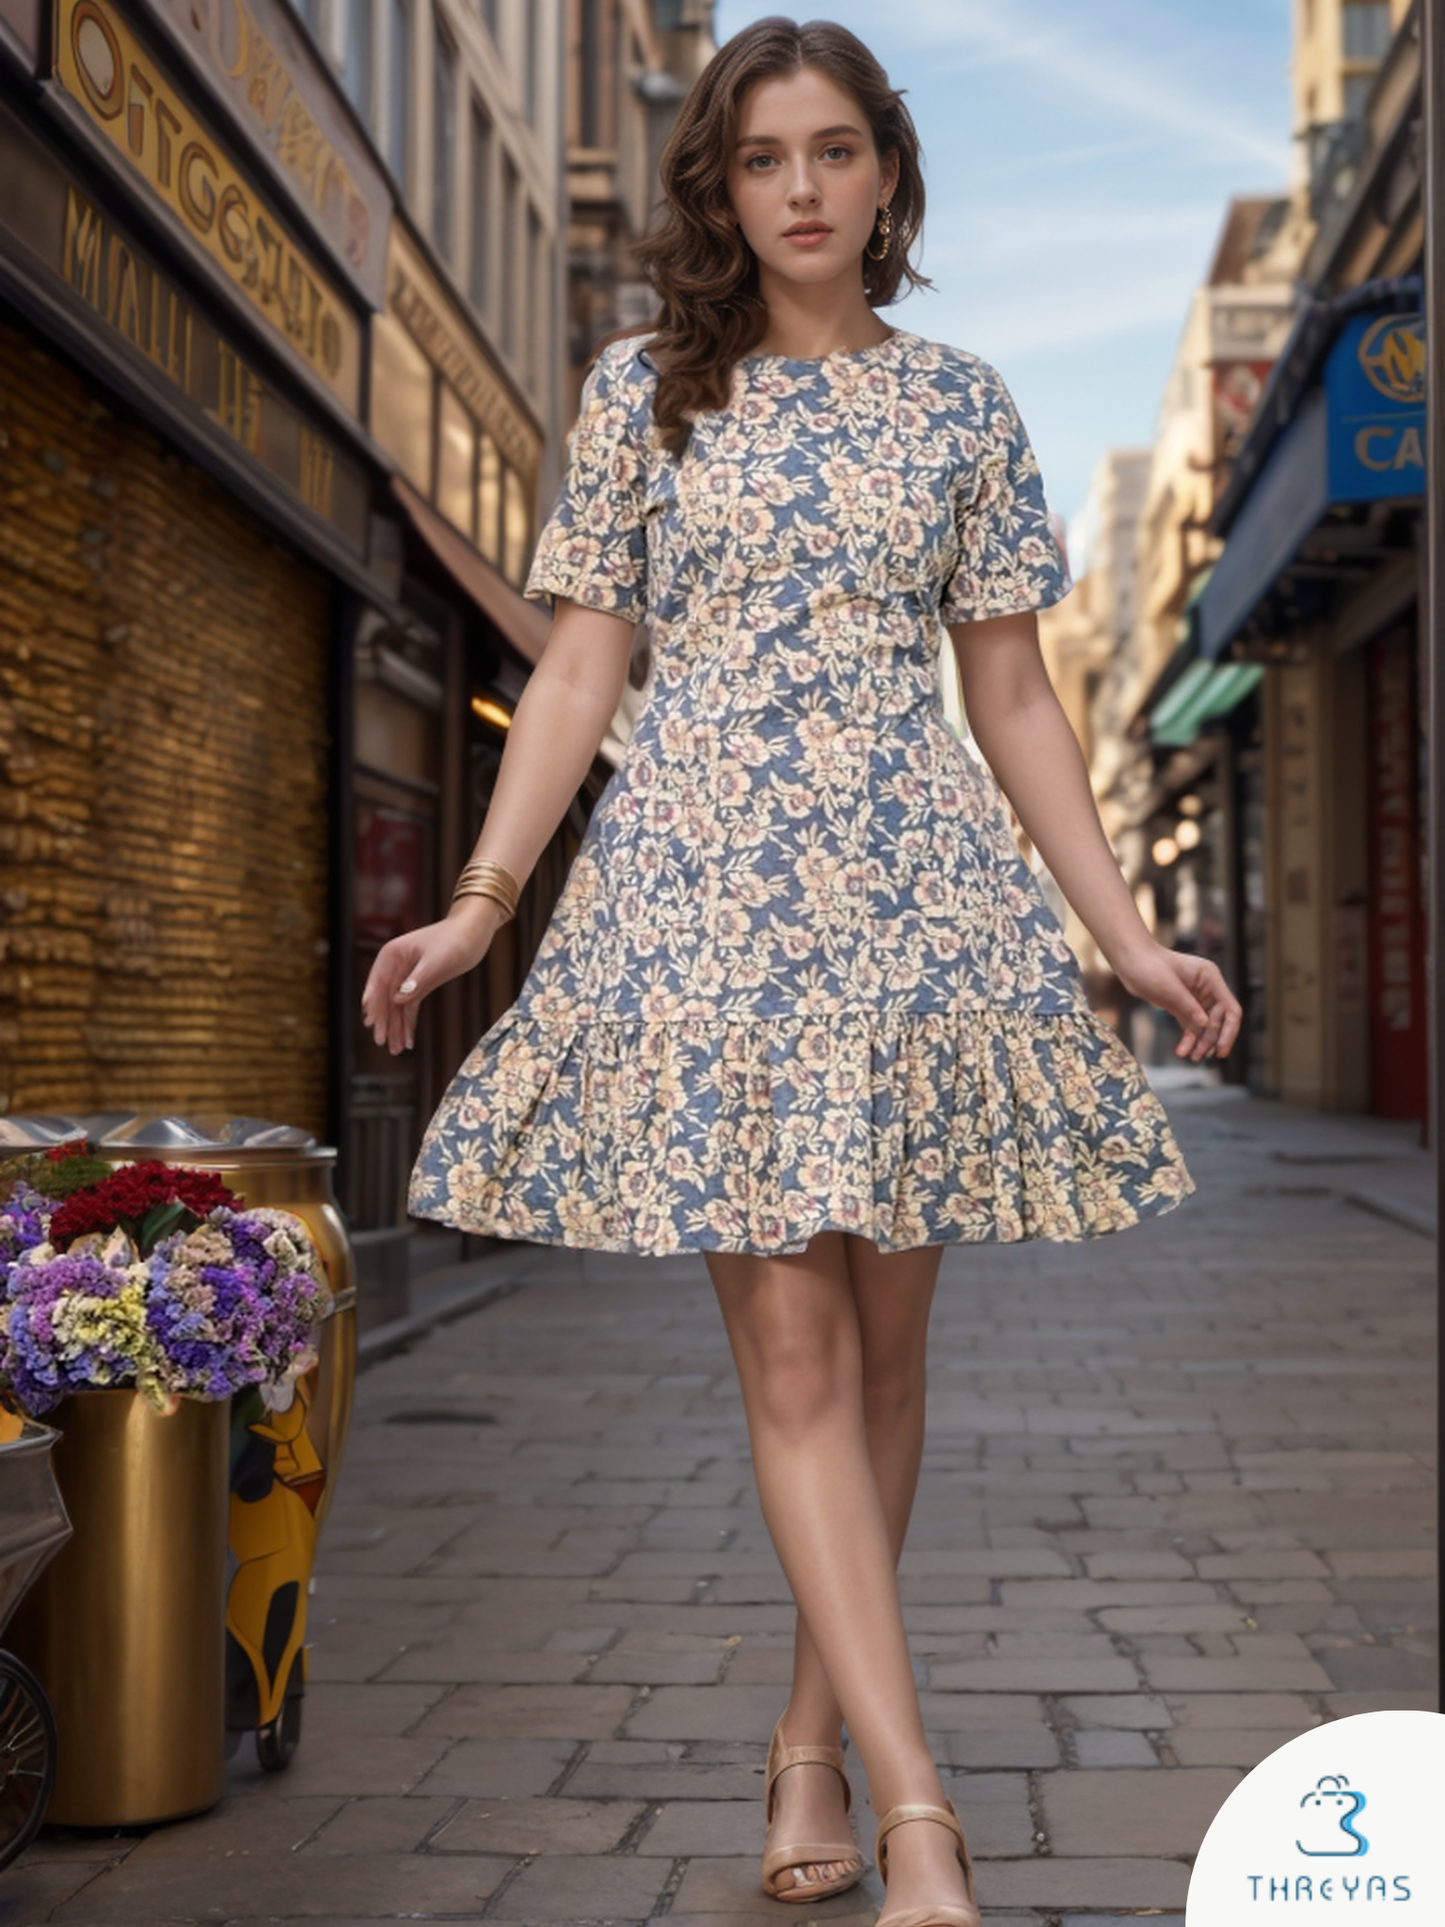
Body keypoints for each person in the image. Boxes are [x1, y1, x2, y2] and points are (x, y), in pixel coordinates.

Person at [362, 19, 1243, 1927]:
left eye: (837, 152)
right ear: (723, 187)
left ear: (888, 175)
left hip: (917, 903)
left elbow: (1010, 692)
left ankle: (807, 1741)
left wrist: (1124, 936)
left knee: (888, 1356)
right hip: (700, 908)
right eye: (767, 160)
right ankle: (923, 1814)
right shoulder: (641, 395)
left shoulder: (963, 405)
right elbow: (583, 659)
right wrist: (485, 902)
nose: (806, 190)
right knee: (793, 1350)